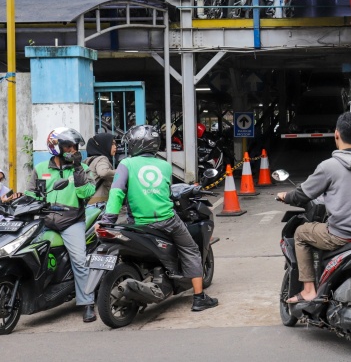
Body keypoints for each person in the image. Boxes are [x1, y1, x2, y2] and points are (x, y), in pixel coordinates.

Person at [96, 125, 218, 312]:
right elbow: (167, 193)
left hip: (137, 223)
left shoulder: (126, 164)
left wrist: (108, 220)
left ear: (136, 144)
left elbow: (117, 193)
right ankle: (199, 297)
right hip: (168, 220)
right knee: (191, 249)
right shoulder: (164, 165)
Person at [277, 112, 351, 303]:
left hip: (341, 235)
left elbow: (302, 194)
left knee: (301, 233)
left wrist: (285, 196)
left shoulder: (329, 167)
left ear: (336, 134)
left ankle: (309, 290)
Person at [25, 127, 97, 322]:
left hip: (71, 221)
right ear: (55, 146)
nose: (72, 150)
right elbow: (30, 195)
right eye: (68, 146)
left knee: (79, 260)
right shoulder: (41, 169)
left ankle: (87, 302)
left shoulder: (82, 168)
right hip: (45, 220)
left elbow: (86, 194)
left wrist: (78, 168)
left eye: (74, 146)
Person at [84, 133, 117, 204]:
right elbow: (103, 172)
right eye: (112, 144)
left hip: (89, 201)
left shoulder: (88, 161)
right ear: (104, 145)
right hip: (100, 202)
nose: (115, 147)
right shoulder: (102, 159)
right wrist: (121, 171)